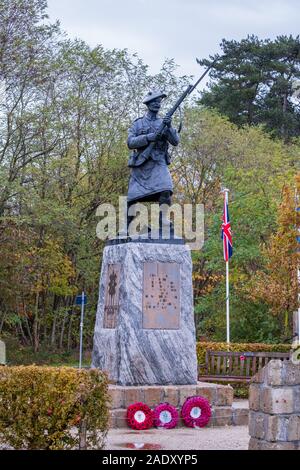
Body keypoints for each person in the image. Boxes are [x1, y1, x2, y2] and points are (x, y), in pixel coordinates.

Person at [126, 90, 180, 235]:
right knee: (132, 198)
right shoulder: (138, 124)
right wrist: (149, 137)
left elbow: (175, 141)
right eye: (154, 101)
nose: (157, 103)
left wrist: (169, 126)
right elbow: (130, 142)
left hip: (159, 162)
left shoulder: (164, 122)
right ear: (148, 104)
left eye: (159, 101)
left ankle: (163, 221)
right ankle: (128, 227)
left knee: (166, 189)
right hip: (142, 164)